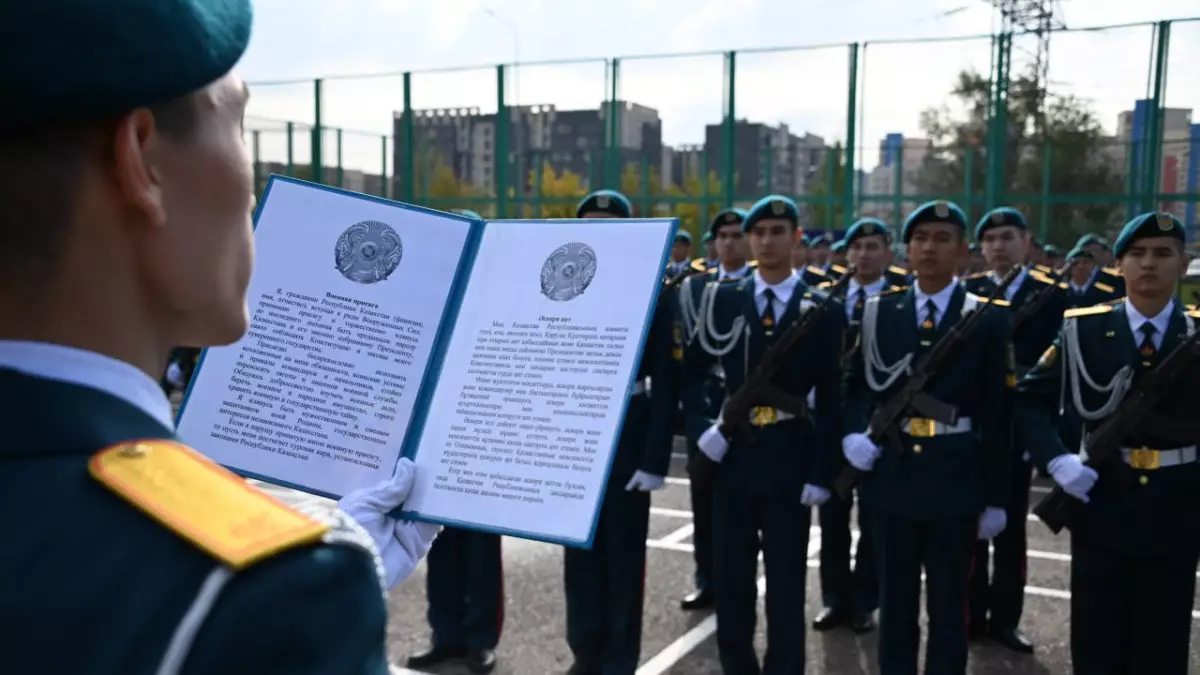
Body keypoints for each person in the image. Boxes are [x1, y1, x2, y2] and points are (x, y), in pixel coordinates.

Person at [0, 1, 440, 673]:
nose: (252, 184)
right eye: (236, 120)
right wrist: (297, 594)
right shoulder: (274, 592)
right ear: (141, 158)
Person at [1014, 211, 1200, 675]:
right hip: (1104, 503)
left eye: (1162, 254)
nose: (1149, 264)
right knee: (1097, 646)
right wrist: (1057, 462)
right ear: (1118, 265)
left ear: (1184, 263)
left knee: (1163, 648)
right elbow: (1028, 401)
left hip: (1177, 508)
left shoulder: (1194, 334)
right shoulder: (1083, 329)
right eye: (1136, 254)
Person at [842, 200, 1013, 675]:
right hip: (891, 478)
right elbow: (855, 386)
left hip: (955, 480)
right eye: (920, 239)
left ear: (963, 249)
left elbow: (999, 416)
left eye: (942, 239)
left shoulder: (988, 317)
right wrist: (854, 434)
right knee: (895, 606)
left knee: (948, 609)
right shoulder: (879, 311)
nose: (929, 248)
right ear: (907, 249)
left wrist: (996, 496)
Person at [685, 194, 842, 674]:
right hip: (731, 456)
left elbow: (833, 399)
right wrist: (705, 429)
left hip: (789, 457)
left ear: (797, 238)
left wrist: (821, 471)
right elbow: (691, 373)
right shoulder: (721, 299)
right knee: (732, 583)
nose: (768, 241)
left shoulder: (823, 307)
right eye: (760, 232)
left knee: (787, 581)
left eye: (778, 231)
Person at [562, 189, 678, 675]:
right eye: (589, 225)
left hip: (626, 438)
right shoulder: (560, 289)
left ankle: (618, 659)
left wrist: (654, 460)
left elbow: (667, 384)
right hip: (573, 440)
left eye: (608, 226)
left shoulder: (655, 289)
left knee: (624, 559)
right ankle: (585, 651)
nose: (599, 234)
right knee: (579, 558)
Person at [405, 210, 505, 674]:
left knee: (481, 549)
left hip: (481, 438)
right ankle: (445, 635)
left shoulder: (500, 302)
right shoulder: (425, 300)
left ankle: (479, 639)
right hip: (432, 442)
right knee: (439, 546)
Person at [963, 207, 1065, 653]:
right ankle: (970, 615)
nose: (999, 246)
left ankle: (1006, 619)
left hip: (1018, 431)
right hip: (973, 429)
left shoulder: (1051, 296)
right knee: (967, 528)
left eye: (1008, 237)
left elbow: (1059, 375)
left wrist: (1039, 439)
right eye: (991, 239)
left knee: (1010, 534)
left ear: (1027, 242)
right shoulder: (968, 294)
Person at [812, 218, 904, 635]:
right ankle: (834, 598)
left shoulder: (902, 299)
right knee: (831, 517)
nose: (864, 254)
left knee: (875, 520)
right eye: (857, 247)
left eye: (873, 246)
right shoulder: (825, 296)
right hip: (830, 420)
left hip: (880, 427)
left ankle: (866, 600)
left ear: (888, 252)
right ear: (846, 254)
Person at [675, 207, 753, 611]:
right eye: (722, 235)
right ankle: (706, 578)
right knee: (703, 506)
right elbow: (689, 367)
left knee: (744, 509)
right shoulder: (695, 288)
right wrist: (698, 421)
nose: (729, 242)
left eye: (738, 235)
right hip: (707, 415)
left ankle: (738, 582)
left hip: (750, 419)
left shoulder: (762, 287)